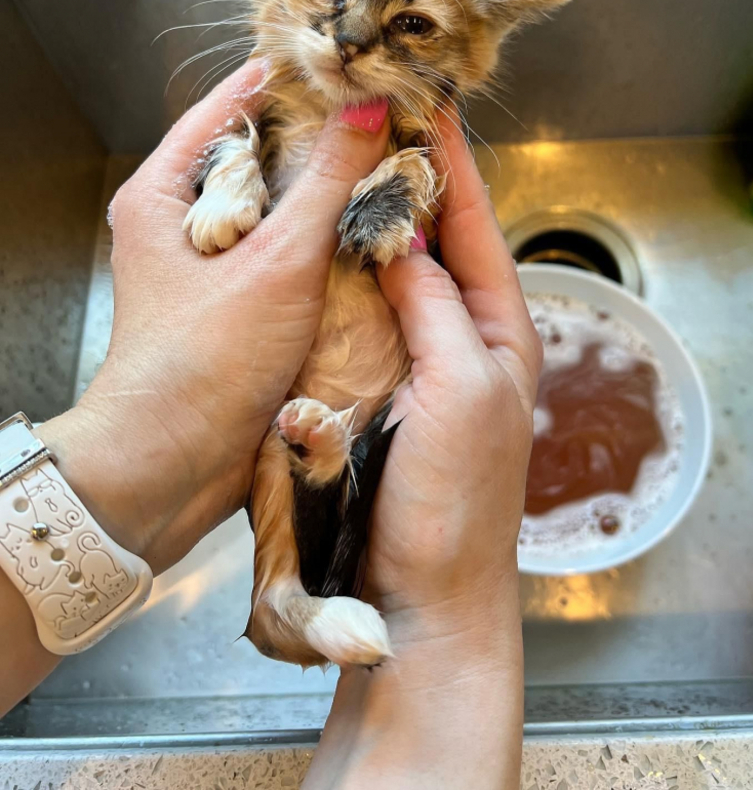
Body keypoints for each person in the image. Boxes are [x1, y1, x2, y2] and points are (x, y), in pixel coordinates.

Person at [0, 60, 540, 790]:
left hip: (353, 411)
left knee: (296, 447)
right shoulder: (268, 119)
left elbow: (411, 195)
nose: (353, 41)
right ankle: (281, 604)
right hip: (321, 422)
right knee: (287, 451)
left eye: (411, 26)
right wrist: (447, 615)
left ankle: (292, 589)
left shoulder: (406, 132)